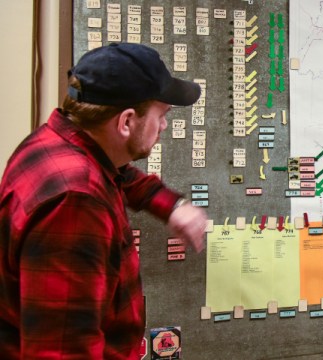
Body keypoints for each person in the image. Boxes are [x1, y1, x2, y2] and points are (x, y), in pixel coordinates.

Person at [0, 43, 208, 359]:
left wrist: (172, 206)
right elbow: (61, 351)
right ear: (126, 122)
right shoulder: (75, 203)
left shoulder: (54, 142)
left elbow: (118, 175)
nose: (164, 126)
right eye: (161, 115)